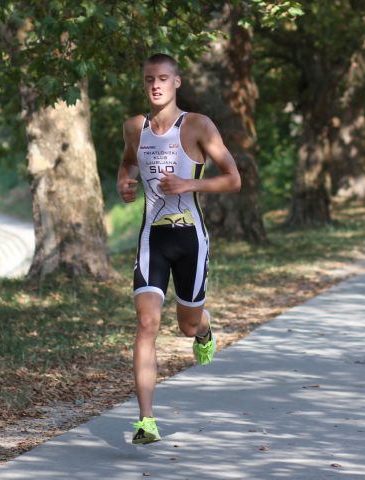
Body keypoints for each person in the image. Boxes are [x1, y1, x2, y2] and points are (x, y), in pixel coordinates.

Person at [117, 53, 241, 445]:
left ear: (177, 82)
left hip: (191, 240)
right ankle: (146, 420)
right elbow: (127, 165)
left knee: (186, 323)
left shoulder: (198, 126)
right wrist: (125, 183)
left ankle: (203, 330)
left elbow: (233, 179)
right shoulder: (135, 127)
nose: (155, 85)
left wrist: (190, 185)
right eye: (149, 78)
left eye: (163, 78)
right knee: (146, 324)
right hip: (152, 239)